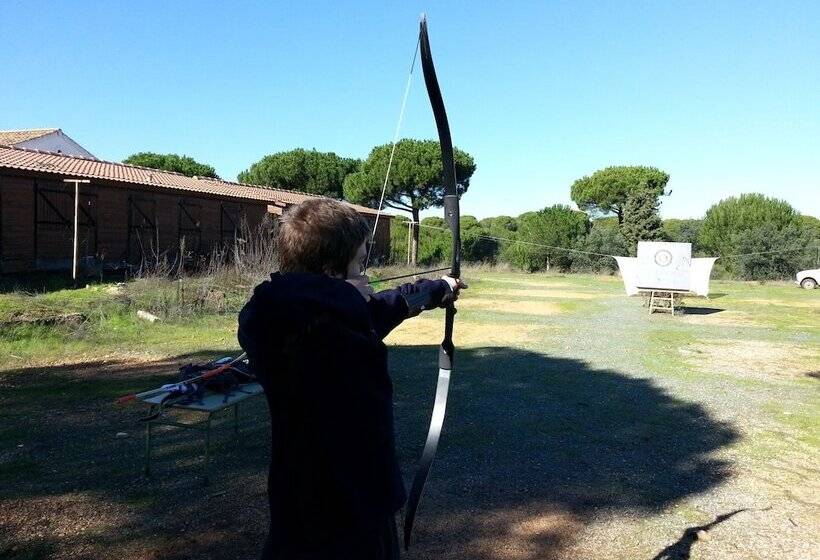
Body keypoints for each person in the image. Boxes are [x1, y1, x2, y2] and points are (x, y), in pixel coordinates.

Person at [237, 199, 464, 559]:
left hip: (299, 497)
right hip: (352, 507)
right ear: (330, 273)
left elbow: (387, 306)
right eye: (359, 264)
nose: (367, 276)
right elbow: (352, 320)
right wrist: (344, 297)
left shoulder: (288, 315)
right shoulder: (320, 330)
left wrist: (439, 288)